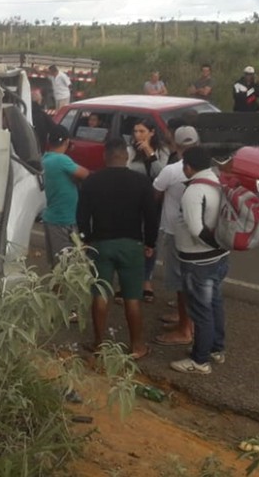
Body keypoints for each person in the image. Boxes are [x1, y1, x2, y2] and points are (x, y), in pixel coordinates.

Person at [77, 137, 158, 360]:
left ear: (105, 156)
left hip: (101, 244)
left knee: (100, 295)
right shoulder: (141, 181)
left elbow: (82, 215)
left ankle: (99, 343)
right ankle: (136, 345)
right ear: (127, 156)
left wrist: (85, 238)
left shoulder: (92, 181)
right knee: (133, 298)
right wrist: (150, 242)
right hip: (132, 245)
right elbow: (151, 216)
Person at [170, 146, 229, 375]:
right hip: (220, 259)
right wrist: (222, 245)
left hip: (199, 263)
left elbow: (196, 229)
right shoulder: (216, 180)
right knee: (215, 304)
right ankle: (215, 349)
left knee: (200, 310)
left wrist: (213, 244)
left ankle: (199, 361)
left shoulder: (194, 192)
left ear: (188, 167)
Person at [152, 126, 200, 346]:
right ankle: (185, 319)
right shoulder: (208, 169)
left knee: (181, 283)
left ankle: (185, 329)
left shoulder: (172, 170)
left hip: (175, 232)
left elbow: (156, 195)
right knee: (192, 281)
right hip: (200, 234)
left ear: (176, 146)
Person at [125, 118, 168, 302]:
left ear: (152, 132)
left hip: (153, 201)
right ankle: (128, 281)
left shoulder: (162, 151)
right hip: (133, 201)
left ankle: (146, 280)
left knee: (151, 241)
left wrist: (150, 154)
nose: (137, 135)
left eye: (142, 131)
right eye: (135, 131)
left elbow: (162, 174)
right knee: (132, 239)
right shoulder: (129, 150)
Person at [41, 125, 90, 266]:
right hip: (62, 219)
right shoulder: (61, 160)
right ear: (67, 142)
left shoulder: (46, 158)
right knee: (64, 266)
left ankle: (55, 288)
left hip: (53, 217)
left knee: (56, 264)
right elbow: (85, 174)